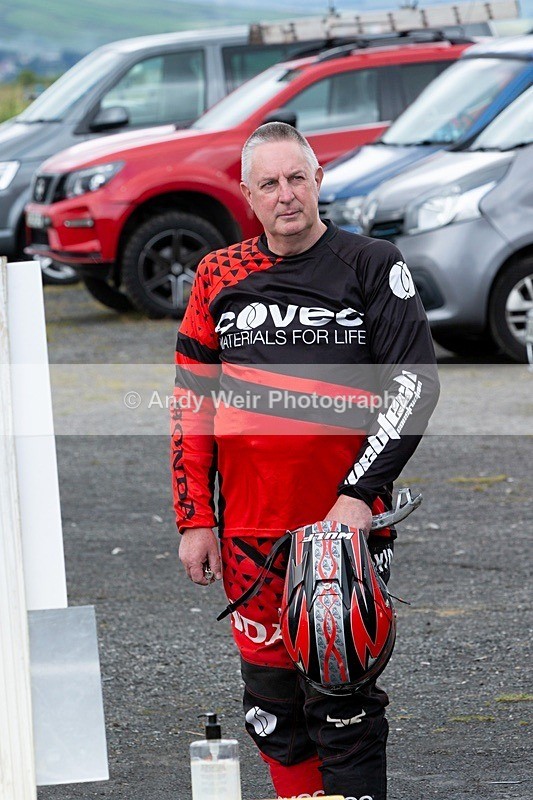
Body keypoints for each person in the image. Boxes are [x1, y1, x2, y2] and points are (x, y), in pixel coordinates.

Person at [172, 122, 440, 800]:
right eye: (269, 183)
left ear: (318, 180)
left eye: (297, 178)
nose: (285, 194)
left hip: (342, 529)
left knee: (342, 697)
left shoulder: (371, 264)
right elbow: (191, 409)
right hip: (248, 535)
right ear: (247, 195)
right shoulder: (217, 275)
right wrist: (193, 520)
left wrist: (357, 498)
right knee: (271, 707)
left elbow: (412, 385)